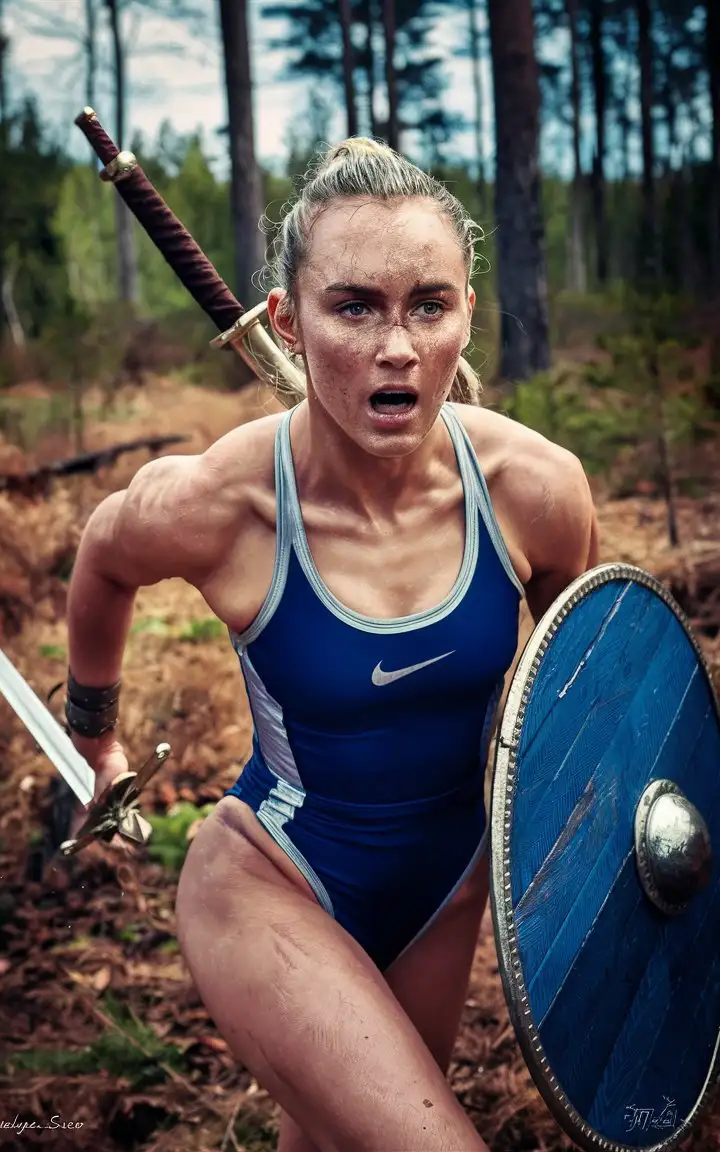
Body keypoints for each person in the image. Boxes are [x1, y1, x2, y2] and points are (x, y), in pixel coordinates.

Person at [64, 139, 599, 1152]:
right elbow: (102, 554)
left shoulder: (538, 490)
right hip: (274, 877)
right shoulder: (223, 504)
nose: (397, 346)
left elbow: (594, 700)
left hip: (446, 889)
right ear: (288, 324)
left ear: (466, 316)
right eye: (354, 307)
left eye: (428, 306)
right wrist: (94, 734)